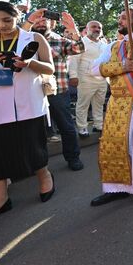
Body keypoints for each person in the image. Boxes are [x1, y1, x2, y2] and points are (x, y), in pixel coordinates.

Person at [0, 1, 56, 226]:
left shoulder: (34, 38)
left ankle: (45, 178)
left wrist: (30, 63)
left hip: (29, 104)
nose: (1, 25)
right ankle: (0, 200)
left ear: (17, 17)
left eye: (7, 20)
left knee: (33, 146)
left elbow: (49, 68)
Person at [89, 8, 133, 206]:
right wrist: (122, 66)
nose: (119, 20)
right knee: (111, 143)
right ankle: (115, 187)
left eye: (124, 18)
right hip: (114, 102)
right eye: (119, 17)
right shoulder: (113, 46)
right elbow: (94, 69)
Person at [24, 9, 86, 171]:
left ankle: (73, 158)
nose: (41, 22)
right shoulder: (24, 39)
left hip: (58, 91)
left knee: (66, 126)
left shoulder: (60, 41)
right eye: (37, 20)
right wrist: (29, 21)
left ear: (52, 23)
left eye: (44, 20)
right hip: (31, 92)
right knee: (33, 130)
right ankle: (36, 164)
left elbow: (80, 48)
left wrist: (73, 30)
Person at [68, 21, 108, 138]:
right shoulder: (81, 42)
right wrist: (73, 76)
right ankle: (82, 128)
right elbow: (74, 60)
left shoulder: (104, 44)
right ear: (87, 28)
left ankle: (98, 125)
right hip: (85, 78)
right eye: (94, 27)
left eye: (99, 27)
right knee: (83, 104)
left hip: (101, 79)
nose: (97, 29)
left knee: (99, 103)